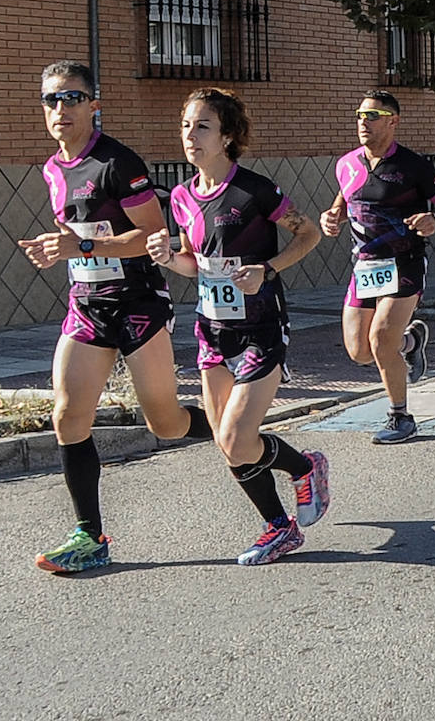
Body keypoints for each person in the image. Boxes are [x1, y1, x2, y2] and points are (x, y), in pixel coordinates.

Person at [18, 61, 209, 574]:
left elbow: (152, 238)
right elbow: (78, 238)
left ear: (93, 104)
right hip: (86, 303)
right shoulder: (52, 168)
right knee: (67, 415)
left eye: (72, 98)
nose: (60, 109)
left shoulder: (116, 162)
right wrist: (57, 249)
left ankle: (250, 439)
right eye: (51, 100)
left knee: (166, 423)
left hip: (137, 303)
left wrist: (81, 242)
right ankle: (90, 535)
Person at [146, 89, 325, 565]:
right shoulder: (182, 196)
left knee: (236, 438)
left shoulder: (254, 191)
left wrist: (267, 269)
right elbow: (195, 262)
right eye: (185, 125)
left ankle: (305, 468)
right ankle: (277, 527)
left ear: (226, 136)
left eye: (202, 126)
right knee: (229, 445)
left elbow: (309, 233)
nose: (190, 135)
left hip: (261, 326)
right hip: (212, 329)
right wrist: (170, 258)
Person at [321, 90, 435, 444]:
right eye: (359, 115)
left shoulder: (413, 165)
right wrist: (333, 215)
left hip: (405, 262)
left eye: (373, 116)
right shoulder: (346, 163)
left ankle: (400, 417)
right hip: (364, 267)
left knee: (382, 339)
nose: (363, 122)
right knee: (359, 351)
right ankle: (411, 341)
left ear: (392, 121)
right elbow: (345, 195)